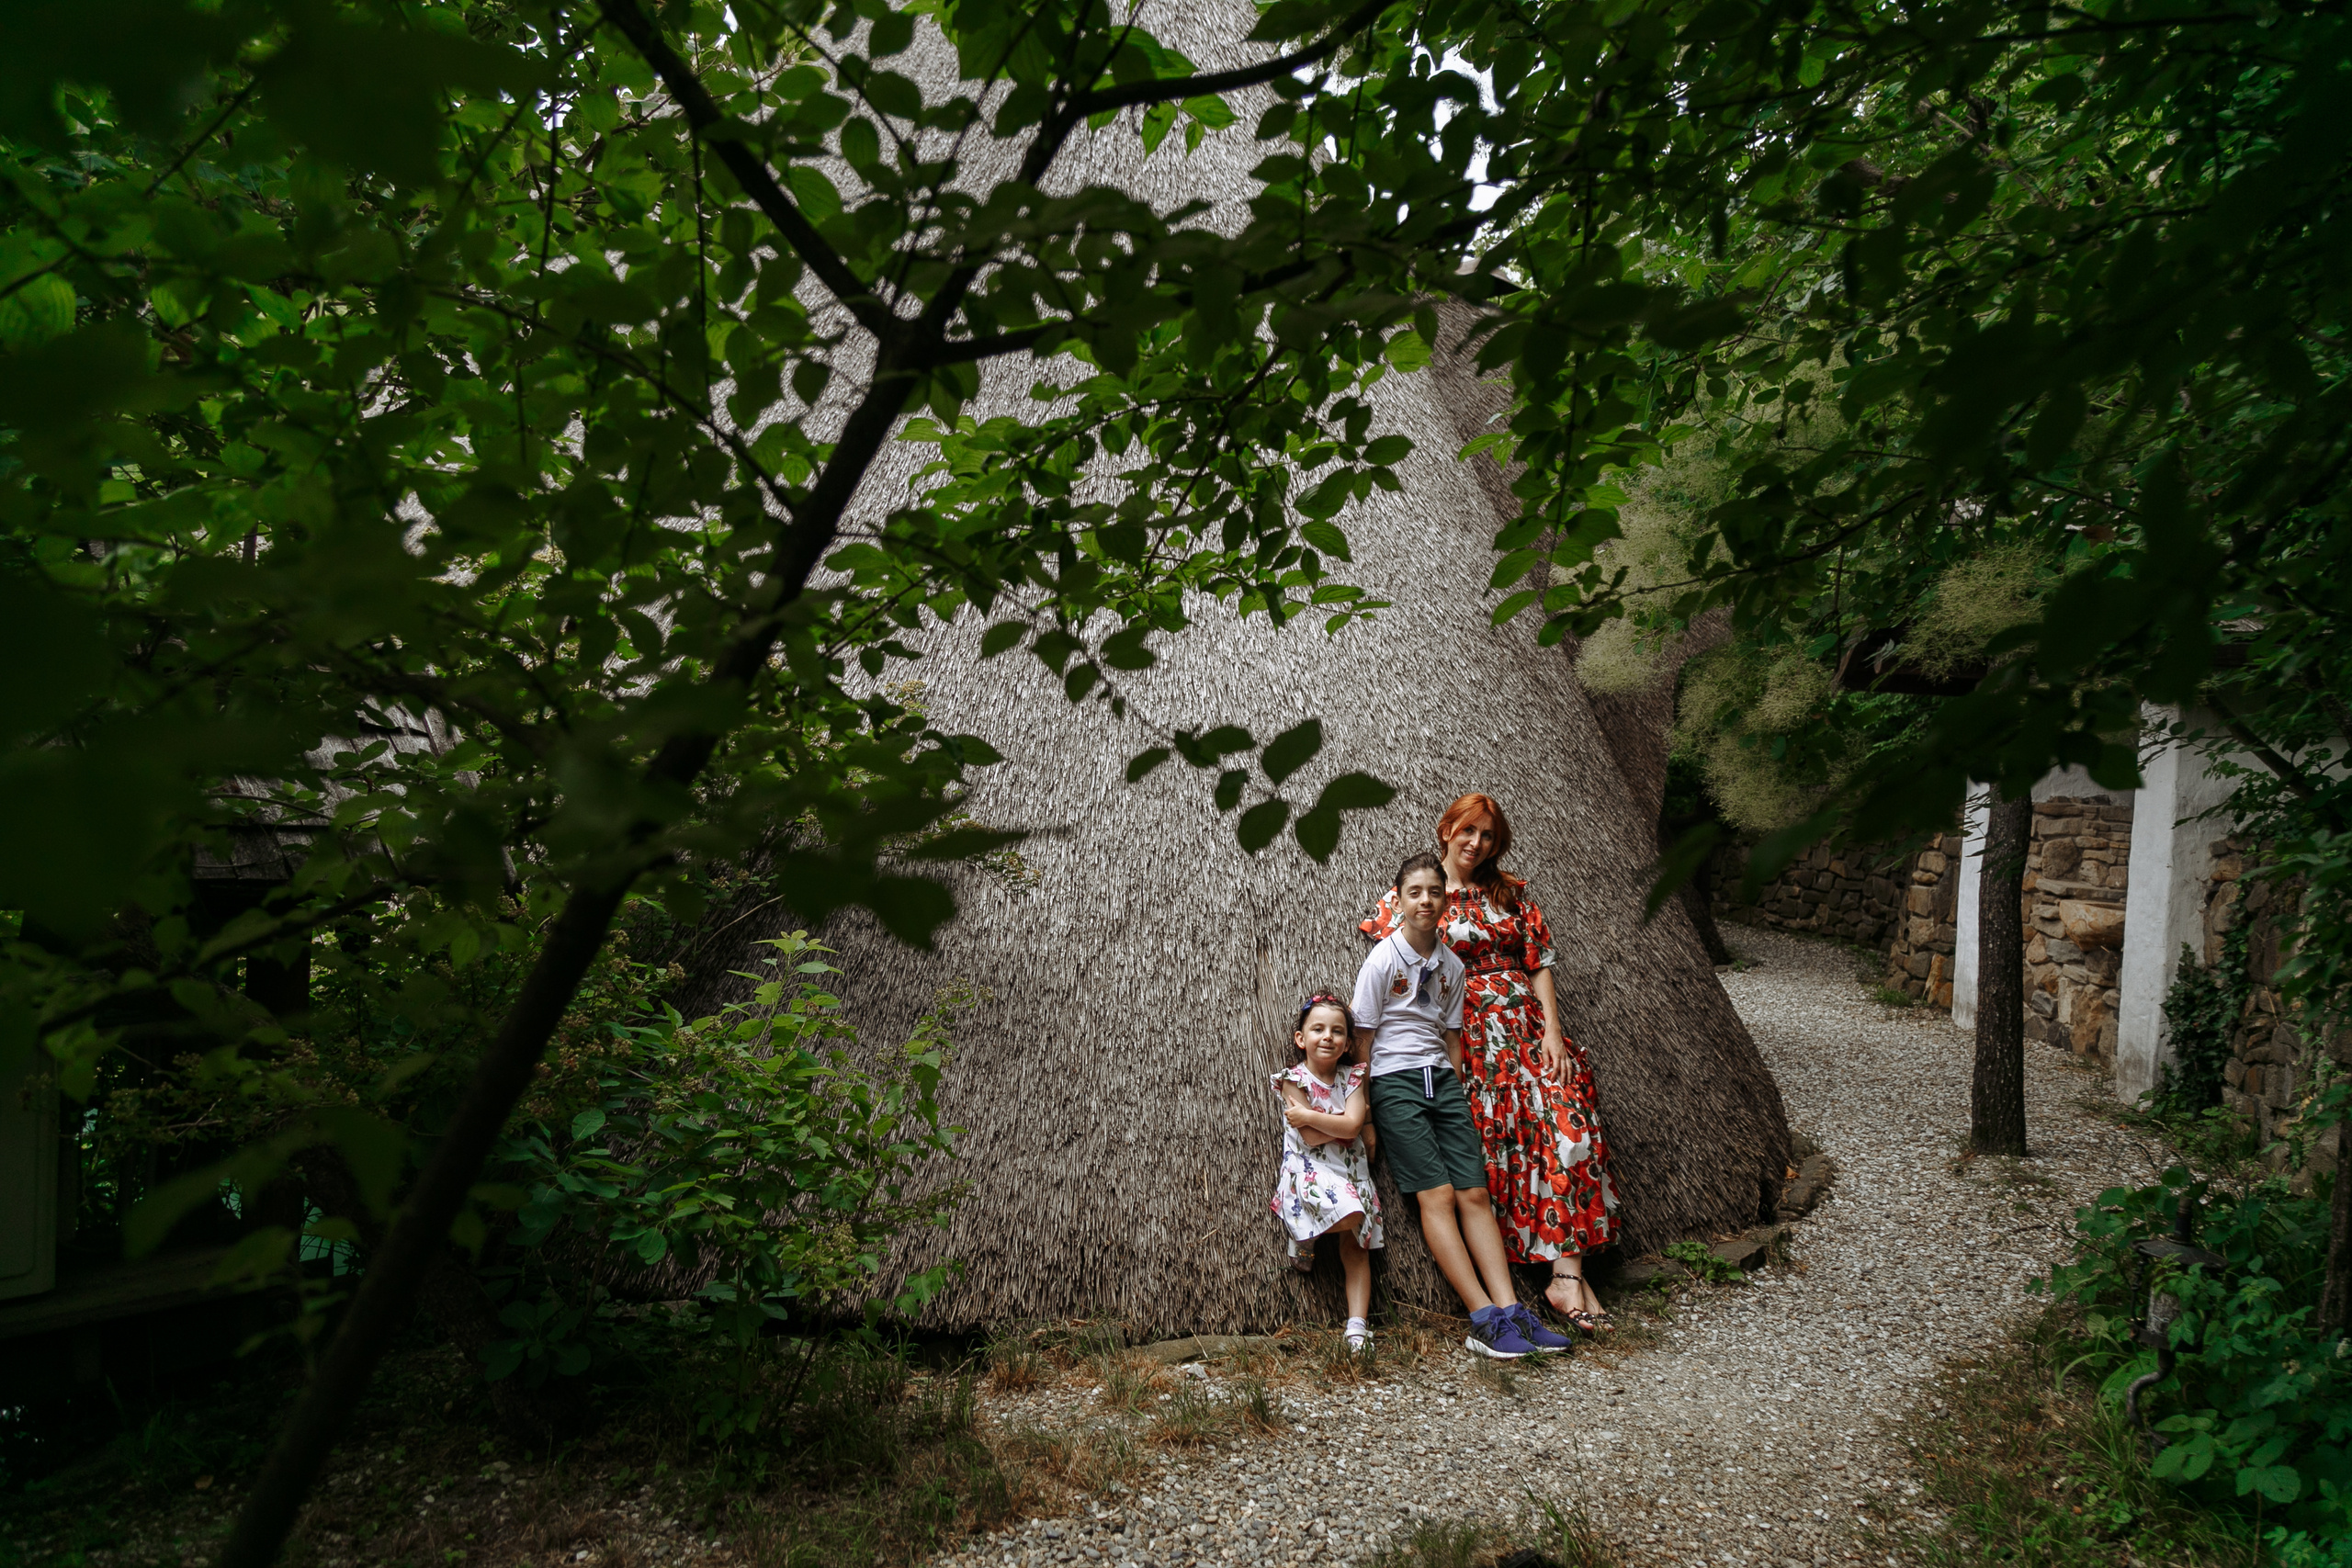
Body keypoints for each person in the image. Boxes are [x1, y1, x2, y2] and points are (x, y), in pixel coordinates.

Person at [1362, 795, 1623, 1334]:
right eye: (1468, 831)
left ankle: (1567, 1271)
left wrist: (1552, 1030)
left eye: (1487, 836)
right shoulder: (1419, 894)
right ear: (1448, 830)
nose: (1476, 843)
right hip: (1467, 1033)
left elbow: (1540, 964)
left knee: (1570, 1125)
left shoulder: (1510, 895)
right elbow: (1392, 961)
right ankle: (1537, 1284)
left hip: (1524, 1027)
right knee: (1496, 1149)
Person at [1351, 851, 1570, 1359]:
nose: (1426, 901)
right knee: (1438, 1194)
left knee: (1474, 1194)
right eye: (1415, 893)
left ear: (1446, 900)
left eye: (1434, 892)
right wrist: (1363, 1113)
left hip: (1442, 1082)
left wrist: (1458, 1086)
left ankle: (1513, 1309)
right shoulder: (1383, 959)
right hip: (1395, 1080)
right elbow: (1363, 1040)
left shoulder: (1451, 964)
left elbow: (1452, 1035)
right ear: (1399, 900)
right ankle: (1483, 1319)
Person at [1269, 991, 1382, 1352]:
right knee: (1351, 1213)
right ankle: (1306, 1234)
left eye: (1337, 1031)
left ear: (1348, 1042)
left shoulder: (1353, 1077)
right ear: (1301, 1039)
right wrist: (1331, 1123)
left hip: (1353, 1173)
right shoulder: (1293, 1080)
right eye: (1318, 1029)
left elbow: (1351, 1128)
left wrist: (1310, 1115)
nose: (1327, 1036)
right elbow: (1312, 1138)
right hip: (1310, 1168)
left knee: (1356, 1246)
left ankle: (1357, 1326)